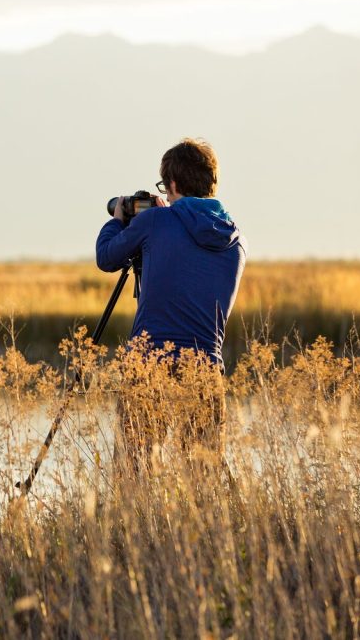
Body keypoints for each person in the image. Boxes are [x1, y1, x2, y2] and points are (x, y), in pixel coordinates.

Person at [96, 138, 246, 472]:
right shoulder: (236, 240)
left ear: (173, 184)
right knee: (204, 479)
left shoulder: (155, 222)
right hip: (206, 369)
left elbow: (106, 257)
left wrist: (120, 218)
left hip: (150, 363)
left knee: (134, 471)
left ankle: (136, 525)